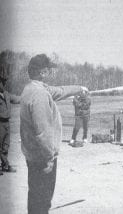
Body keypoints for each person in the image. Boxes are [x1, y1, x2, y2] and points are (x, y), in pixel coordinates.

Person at [20, 54, 88, 214]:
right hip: (42, 158)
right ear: (42, 72)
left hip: (33, 155)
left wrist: (79, 89)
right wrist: (49, 158)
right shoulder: (40, 94)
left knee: (36, 198)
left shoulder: (32, 88)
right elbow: (42, 132)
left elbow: (59, 91)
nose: (50, 73)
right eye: (48, 70)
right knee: (42, 203)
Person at [0, 58, 20, 173]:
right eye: (2, 82)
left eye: (4, 82)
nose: (3, 84)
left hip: (7, 123)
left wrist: (28, 97)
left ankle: (5, 165)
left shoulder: (7, 94)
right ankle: (6, 165)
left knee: (6, 146)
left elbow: (17, 99)